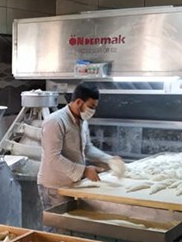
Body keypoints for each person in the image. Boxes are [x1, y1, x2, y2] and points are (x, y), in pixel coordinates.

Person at [37, 82, 125, 213]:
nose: (92, 111)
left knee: (72, 222)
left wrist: (109, 159)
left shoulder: (82, 121)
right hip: (54, 187)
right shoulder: (55, 121)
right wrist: (84, 171)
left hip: (73, 184)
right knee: (58, 224)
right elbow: (53, 158)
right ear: (78, 102)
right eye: (91, 107)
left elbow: (87, 148)